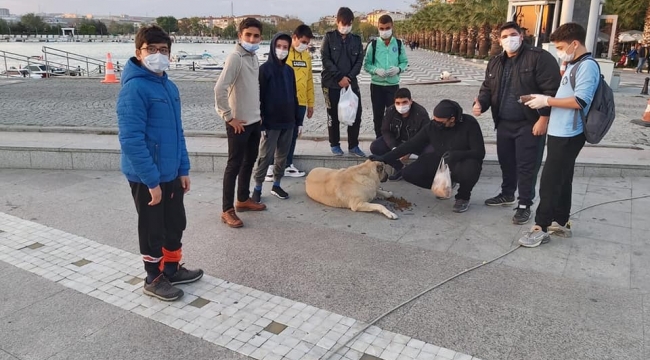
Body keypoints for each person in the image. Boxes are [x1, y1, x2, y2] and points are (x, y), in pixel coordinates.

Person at [117, 25, 203, 302]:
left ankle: (172, 267)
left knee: (175, 222)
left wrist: (183, 169)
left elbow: (177, 133)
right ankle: (153, 277)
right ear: (138, 53)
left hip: (170, 172)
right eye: (151, 50)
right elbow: (131, 140)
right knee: (153, 228)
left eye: (163, 51)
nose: (157, 55)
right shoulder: (134, 89)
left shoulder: (169, 86)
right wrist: (151, 181)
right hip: (147, 177)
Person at [518, 22, 600, 247]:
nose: (559, 51)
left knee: (550, 180)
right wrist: (539, 98)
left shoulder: (587, 66)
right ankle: (561, 222)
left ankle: (540, 227)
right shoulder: (573, 64)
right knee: (563, 178)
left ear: (575, 43)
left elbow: (580, 101)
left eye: (561, 46)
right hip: (559, 131)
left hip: (569, 134)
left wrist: (547, 101)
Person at [474, 21, 561, 225]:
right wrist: (480, 103)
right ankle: (507, 194)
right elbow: (487, 88)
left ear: (521, 36)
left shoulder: (539, 58)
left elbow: (552, 91)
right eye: (504, 36)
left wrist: (544, 118)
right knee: (507, 162)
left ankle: (524, 204)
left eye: (513, 35)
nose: (509, 39)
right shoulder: (495, 61)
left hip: (529, 123)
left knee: (526, 165)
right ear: (499, 40)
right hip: (503, 122)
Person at [370, 100, 486, 213]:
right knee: (409, 173)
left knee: (471, 168)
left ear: (452, 119)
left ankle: (463, 197)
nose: (436, 124)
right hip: (440, 159)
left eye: (440, 122)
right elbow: (410, 145)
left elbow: (479, 152)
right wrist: (384, 158)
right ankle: (445, 185)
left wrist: (457, 154)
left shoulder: (469, 123)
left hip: (463, 161)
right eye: (434, 120)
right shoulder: (432, 126)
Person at [215, 18, 266, 228]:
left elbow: (252, 89)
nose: (252, 39)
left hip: (254, 121)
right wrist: (228, 117)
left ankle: (243, 199)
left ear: (260, 38)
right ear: (240, 36)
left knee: (249, 161)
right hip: (238, 123)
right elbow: (219, 89)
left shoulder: (253, 57)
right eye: (248, 35)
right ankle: (227, 209)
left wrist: (258, 114)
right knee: (234, 165)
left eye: (255, 36)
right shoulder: (235, 57)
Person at [252, 32, 301, 201]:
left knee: (282, 156)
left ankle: (277, 185)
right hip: (270, 123)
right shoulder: (264, 70)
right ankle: (257, 188)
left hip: (288, 122)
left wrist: (298, 121)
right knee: (266, 156)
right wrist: (262, 125)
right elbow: (259, 98)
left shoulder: (289, 71)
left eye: (285, 47)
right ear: (273, 47)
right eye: (279, 46)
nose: (282, 50)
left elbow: (294, 97)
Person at [264, 24, 315, 181]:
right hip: (284, 102)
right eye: (303, 41)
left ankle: (287, 164)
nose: (305, 45)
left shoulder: (306, 56)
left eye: (307, 43)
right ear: (294, 38)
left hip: (300, 103)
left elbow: (309, 80)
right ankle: (270, 166)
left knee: (293, 135)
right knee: (276, 134)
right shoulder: (285, 54)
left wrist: (310, 103)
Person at [321, 7, 366, 157]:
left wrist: (349, 78)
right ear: (337, 22)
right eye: (343, 23)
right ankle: (334, 144)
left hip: (351, 84)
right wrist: (339, 77)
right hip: (332, 83)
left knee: (356, 114)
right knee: (333, 116)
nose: (345, 26)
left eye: (348, 23)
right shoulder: (328, 38)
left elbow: (359, 61)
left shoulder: (357, 40)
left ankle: (354, 145)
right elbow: (325, 59)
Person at [369, 87, 432, 181]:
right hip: (397, 141)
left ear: (411, 101)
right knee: (376, 146)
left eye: (404, 102)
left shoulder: (421, 113)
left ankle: (419, 172)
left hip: (415, 143)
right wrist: (395, 149)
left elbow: (424, 135)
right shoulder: (391, 111)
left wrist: (408, 150)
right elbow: (385, 130)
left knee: (430, 152)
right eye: (398, 103)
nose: (401, 106)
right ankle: (400, 168)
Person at [364, 14, 409, 138]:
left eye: (387, 28)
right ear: (378, 28)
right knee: (377, 115)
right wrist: (375, 70)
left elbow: (405, 62)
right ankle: (379, 139)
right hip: (377, 85)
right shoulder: (373, 45)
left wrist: (398, 69)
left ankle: (393, 140)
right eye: (381, 29)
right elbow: (366, 65)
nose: (384, 31)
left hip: (393, 86)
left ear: (392, 26)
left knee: (394, 115)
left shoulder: (398, 44)